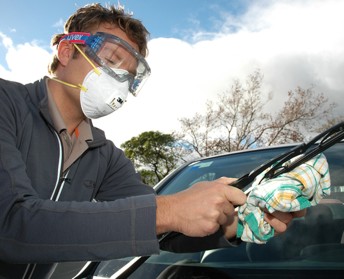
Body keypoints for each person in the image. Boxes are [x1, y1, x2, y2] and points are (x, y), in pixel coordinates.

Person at [0, 3, 303, 278]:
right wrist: (170, 209)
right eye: (112, 58)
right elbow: (11, 224)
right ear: (67, 52)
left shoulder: (103, 154)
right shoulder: (6, 104)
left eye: (129, 76)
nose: (119, 78)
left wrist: (240, 221)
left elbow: (159, 224)